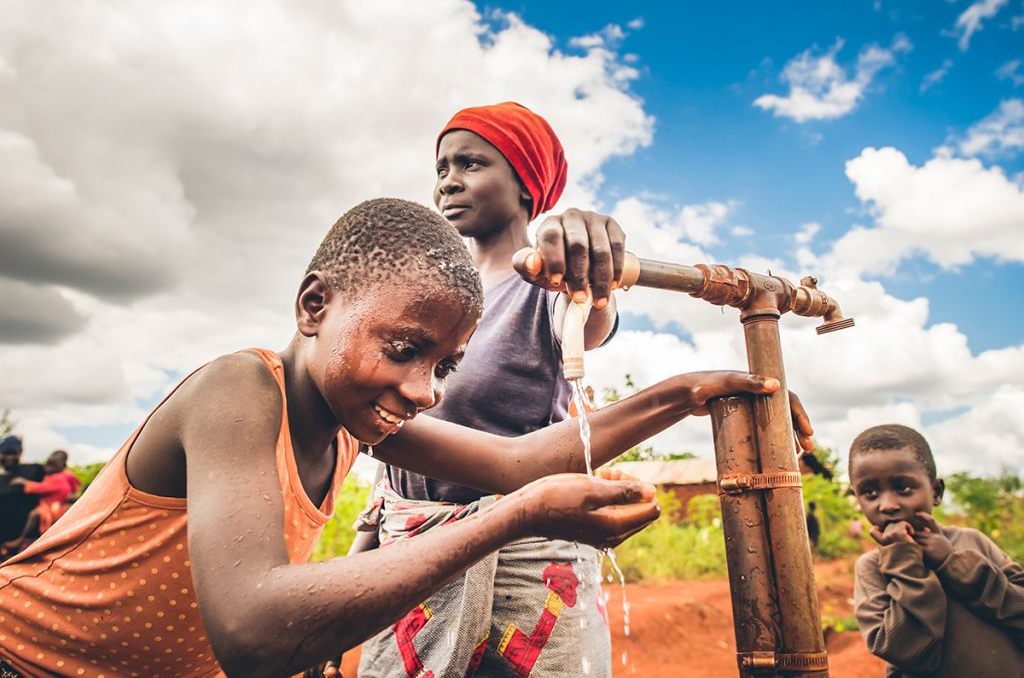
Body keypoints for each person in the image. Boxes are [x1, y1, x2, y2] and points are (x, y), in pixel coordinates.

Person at [0, 197, 784, 678]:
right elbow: (250, 630)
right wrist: (512, 518)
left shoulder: (355, 423)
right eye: (405, 348)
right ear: (314, 305)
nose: (425, 390)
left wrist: (688, 393)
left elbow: (520, 460)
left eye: (445, 365)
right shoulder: (239, 390)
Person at [355, 101, 628, 678]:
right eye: (441, 168)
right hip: (405, 559)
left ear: (526, 184)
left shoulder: (546, 286)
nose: (449, 181)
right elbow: (395, 442)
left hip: (520, 572)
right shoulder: (433, 302)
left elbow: (590, 320)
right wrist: (360, 562)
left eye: (472, 163)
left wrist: (582, 261)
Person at [850, 424, 1024, 677]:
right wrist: (904, 563)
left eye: (903, 488)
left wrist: (953, 563)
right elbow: (905, 651)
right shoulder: (871, 568)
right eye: (870, 493)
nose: (887, 505)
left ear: (936, 492)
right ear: (857, 499)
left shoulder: (972, 541)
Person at [2, 450, 81, 554]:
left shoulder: (60, 478)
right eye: (49, 465)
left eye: (53, 466)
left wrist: (24, 483)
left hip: (52, 506)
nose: (48, 468)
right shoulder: (50, 475)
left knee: (35, 515)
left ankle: (20, 540)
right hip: (50, 504)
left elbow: (42, 488)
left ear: (63, 465)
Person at [0, 435, 44, 553]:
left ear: (20, 452)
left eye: (13, 453)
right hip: (3, 541)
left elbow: (55, 484)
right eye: (5, 453)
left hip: (28, 540)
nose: (9, 457)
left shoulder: (34, 470)